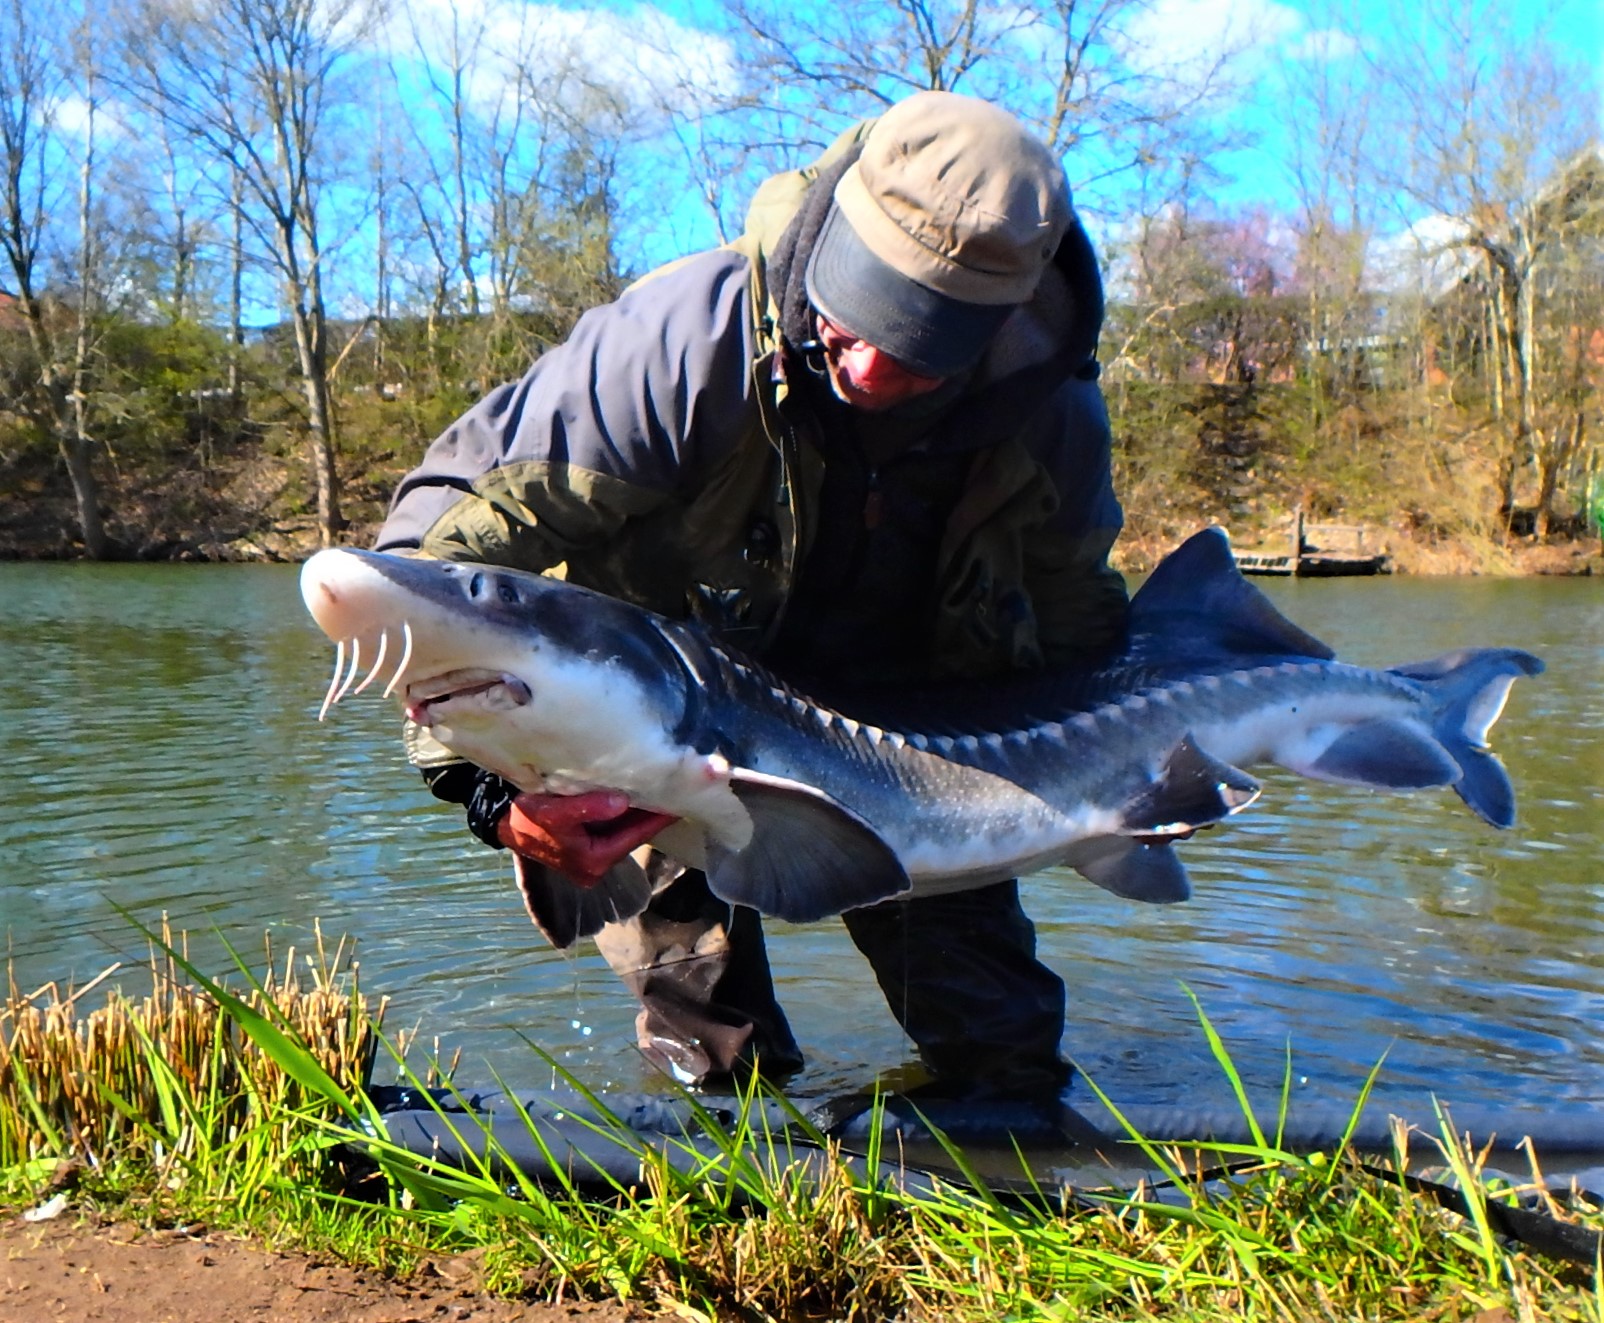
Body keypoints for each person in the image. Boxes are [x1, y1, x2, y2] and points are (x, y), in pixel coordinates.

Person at [374, 90, 1130, 1108]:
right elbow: (433, 557)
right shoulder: (679, 343)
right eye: (861, 307)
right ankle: (739, 1150)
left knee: (1005, 1065)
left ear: (1001, 326)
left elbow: (1078, 620)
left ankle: (978, 1140)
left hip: (911, 750)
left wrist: (1132, 757)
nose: (868, 364)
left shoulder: (1051, 415)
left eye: (921, 342)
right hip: (654, 730)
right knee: (714, 1067)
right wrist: (490, 796)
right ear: (833, 233)